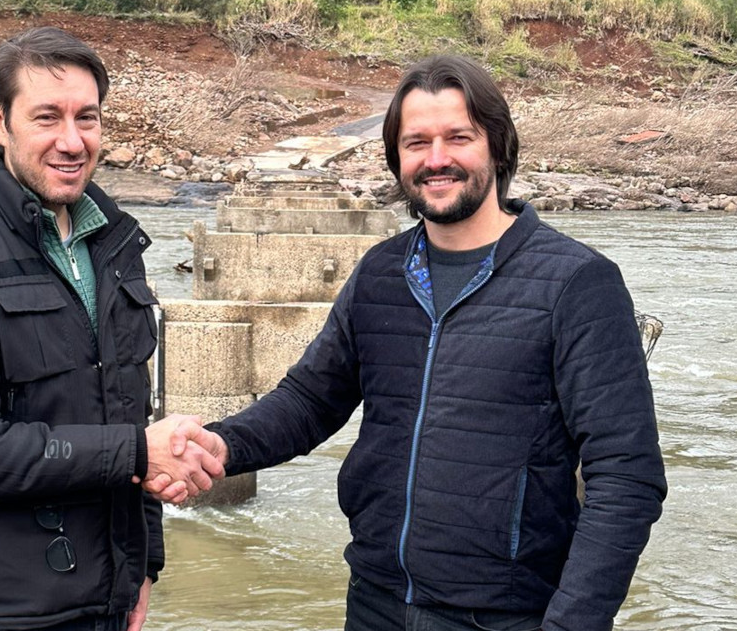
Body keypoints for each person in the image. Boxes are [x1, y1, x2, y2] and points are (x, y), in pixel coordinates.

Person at [152, 55, 667, 631]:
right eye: (416, 142)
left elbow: (626, 477)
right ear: (397, 158)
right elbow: (309, 401)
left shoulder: (577, 282)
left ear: (498, 146)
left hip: (507, 615)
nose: (436, 159)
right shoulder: (381, 272)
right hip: (375, 601)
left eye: (458, 137)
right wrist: (219, 448)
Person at [0, 26, 222, 631]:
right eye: (47, 117)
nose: (72, 142)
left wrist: (144, 566)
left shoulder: (115, 243)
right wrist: (134, 452)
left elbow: (129, 414)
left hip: (110, 602)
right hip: (2, 615)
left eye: (87, 118)